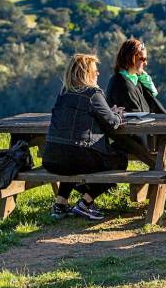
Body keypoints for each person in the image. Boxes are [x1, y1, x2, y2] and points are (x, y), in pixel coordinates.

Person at [42, 53, 128, 222]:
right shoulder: (92, 94)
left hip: (51, 159)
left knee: (72, 155)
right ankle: (85, 202)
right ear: (85, 73)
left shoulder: (63, 94)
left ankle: (60, 203)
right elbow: (111, 123)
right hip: (78, 158)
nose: (98, 74)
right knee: (120, 159)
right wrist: (117, 115)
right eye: (95, 71)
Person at [106, 38, 166, 165]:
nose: (146, 63)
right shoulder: (121, 84)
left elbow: (152, 98)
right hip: (138, 141)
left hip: (144, 137)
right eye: (142, 59)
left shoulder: (135, 79)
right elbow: (135, 116)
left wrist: (144, 77)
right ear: (130, 58)